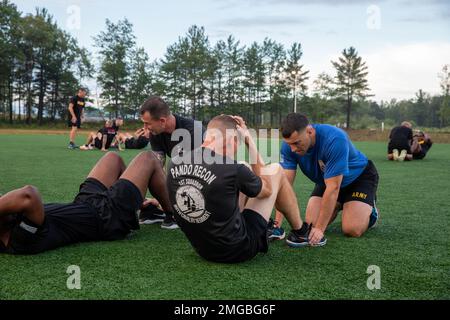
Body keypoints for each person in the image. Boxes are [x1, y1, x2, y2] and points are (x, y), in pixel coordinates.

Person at [166, 115, 317, 264]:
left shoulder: (175, 161)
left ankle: (269, 226)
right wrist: (249, 141)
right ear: (232, 140)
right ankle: (300, 232)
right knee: (275, 170)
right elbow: (267, 190)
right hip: (238, 249)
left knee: (244, 165)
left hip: (202, 249)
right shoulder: (231, 168)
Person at [0, 152, 174, 255]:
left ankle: (141, 204)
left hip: (85, 203)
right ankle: (173, 214)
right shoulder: (20, 240)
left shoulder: (10, 224)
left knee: (112, 158)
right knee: (148, 158)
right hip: (107, 219)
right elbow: (29, 195)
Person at [271, 113, 379, 245]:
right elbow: (284, 185)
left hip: (358, 179)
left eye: (296, 143)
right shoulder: (289, 146)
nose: (292, 149)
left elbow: (333, 187)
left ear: (309, 131)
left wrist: (320, 230)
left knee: (352, 229)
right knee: (311, 223)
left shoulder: (335, 139)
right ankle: (338, 204)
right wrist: (277, 224)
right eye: (289, 144)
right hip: (327, 180)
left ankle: (370, 210)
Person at [138, 96, 205, 229]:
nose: (145, 128)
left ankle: (173, 212)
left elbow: (195, 174)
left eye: (148, 123)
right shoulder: (156, 133)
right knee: (152, 165)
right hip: (183, 183)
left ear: (162, 121)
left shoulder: (193, 130)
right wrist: (158, 198)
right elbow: (157, 166)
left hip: (205, 183)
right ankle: (164, 210)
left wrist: (165, 201)